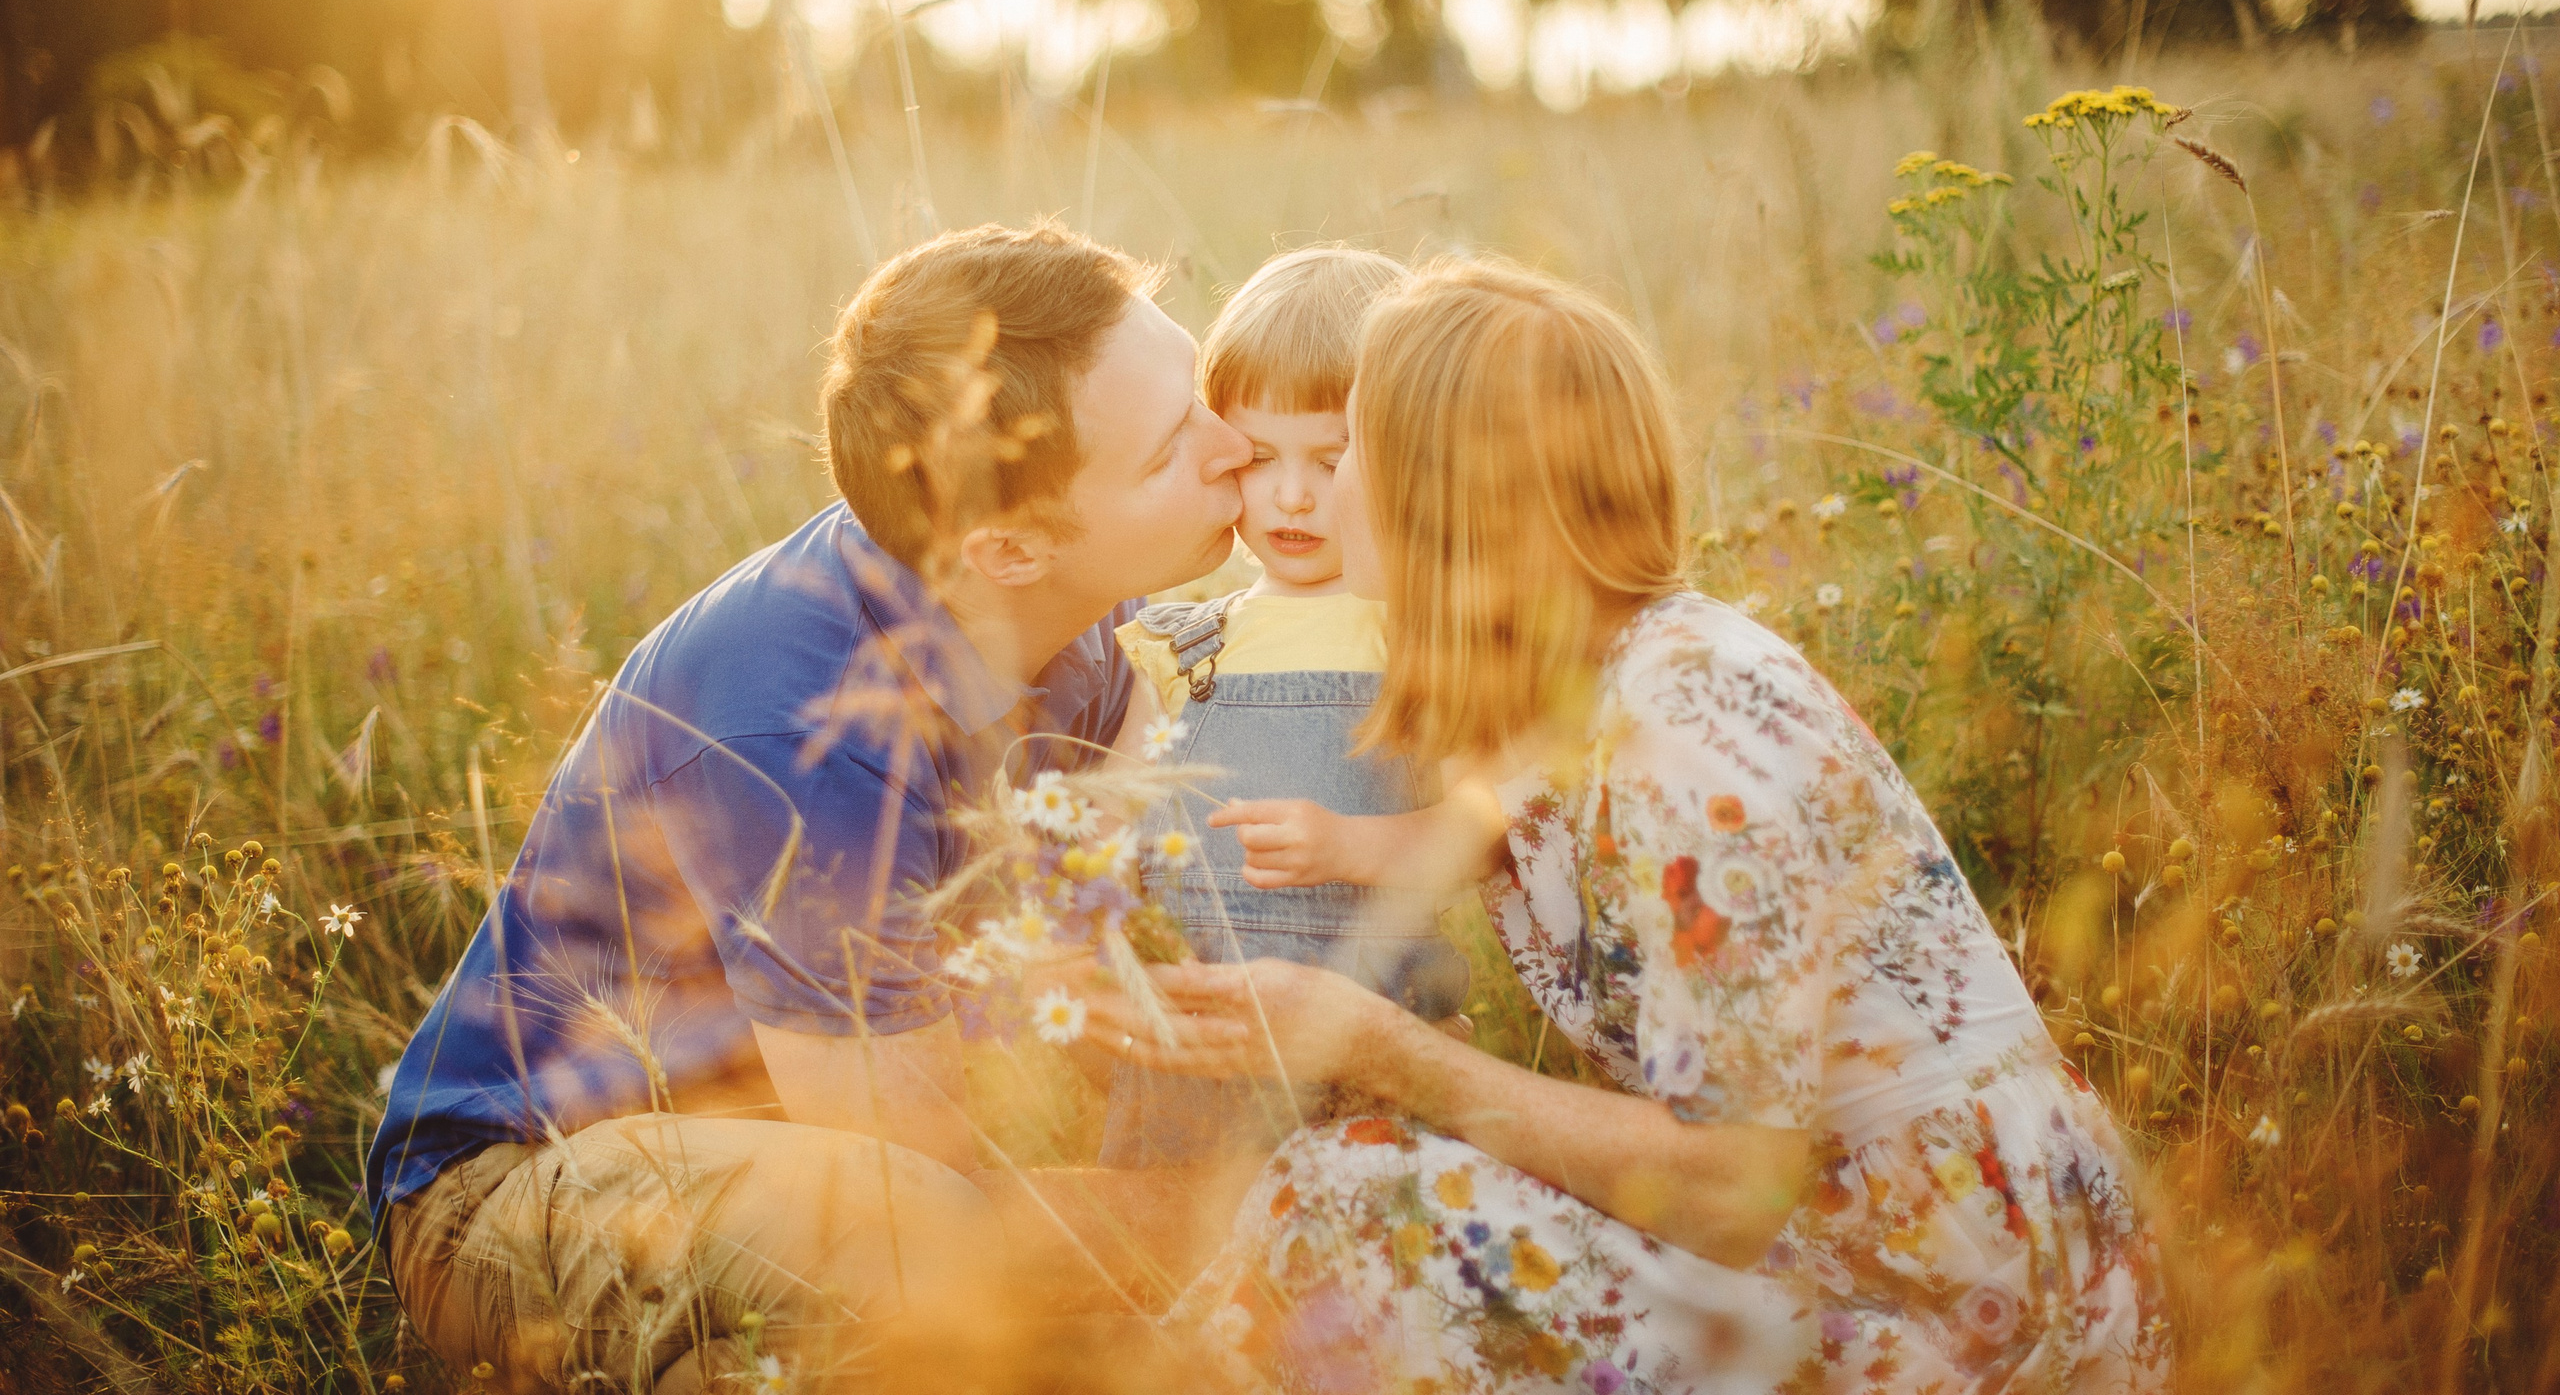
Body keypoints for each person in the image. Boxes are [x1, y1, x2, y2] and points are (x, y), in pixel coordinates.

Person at [1126, 261, 2171, 1393]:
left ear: (1447, 490)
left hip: (1969, 1308)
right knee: (1341, 1194)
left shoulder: (1680, 724)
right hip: (1859, 1248)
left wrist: (1375, 1045)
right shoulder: (1573, 688)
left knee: (1343, 1198)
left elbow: (1731, 1184)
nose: (1319, 498)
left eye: (1351, 454)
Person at [363, 223, 1259, 1392]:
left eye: (1197, 392)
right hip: (525, 1185)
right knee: (938, 1243)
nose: (1234, 444)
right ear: (1008, 550)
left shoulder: (1086, 617)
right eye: (1168, 451)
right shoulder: (792, 720)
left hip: (781, 1159)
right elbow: (920, 1147)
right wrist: (1224, 1204)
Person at [1098, 247, 1471, 1168]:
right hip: (1192, 1040)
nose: (1294, 495)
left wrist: (1353, 847)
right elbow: (1108, 813)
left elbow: (1491, 830)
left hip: (1368, 1041)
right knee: (1166, 1256)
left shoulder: (1418, 638)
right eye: (1260, 457)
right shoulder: (1181, 643)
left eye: (1333, 458)